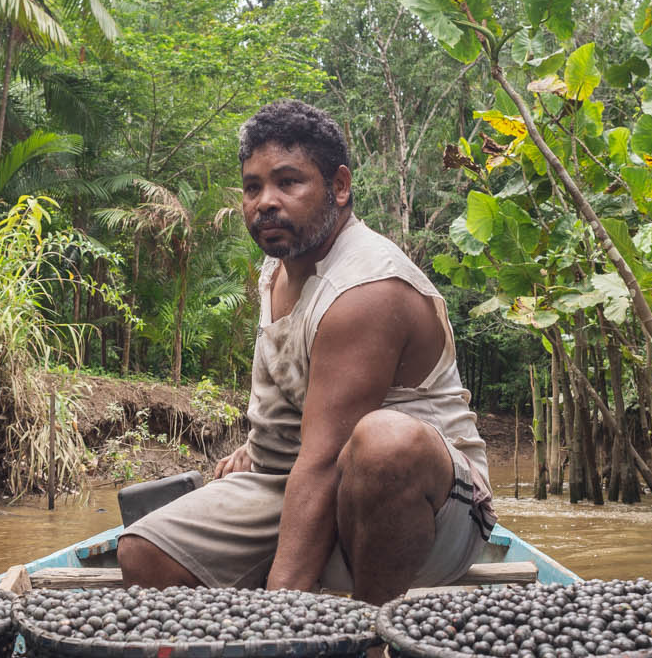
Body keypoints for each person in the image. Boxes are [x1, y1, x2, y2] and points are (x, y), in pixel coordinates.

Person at [118, 100, 495, 605]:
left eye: (288, 182)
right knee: (145, 553)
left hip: (428, 512)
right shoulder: (278, 267)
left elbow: (321, 462)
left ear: (339, 187)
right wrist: (257, 451)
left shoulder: (366, 287)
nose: (265, 202)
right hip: (297, 482)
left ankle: (370, 638)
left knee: (384, 443)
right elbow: (293, 403)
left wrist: (283, 613)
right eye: (253, 187)